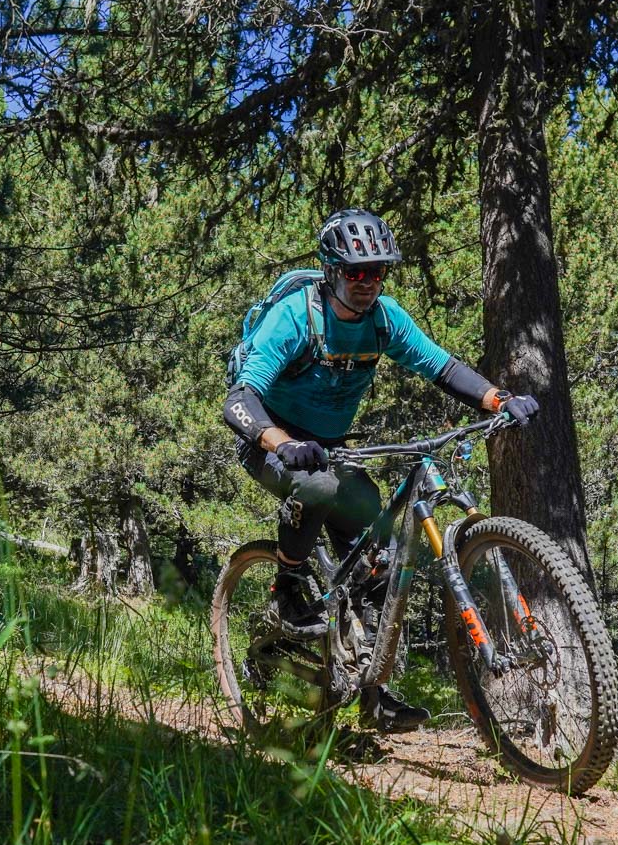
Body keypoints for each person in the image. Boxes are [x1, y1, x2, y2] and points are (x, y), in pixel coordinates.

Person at [221, 208, 540, 732]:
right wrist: (281, 442)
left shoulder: (384, 319)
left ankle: (373, 692)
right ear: (332, 270)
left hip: (333, 447)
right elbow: (240, 399)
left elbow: (442, 367)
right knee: (315, 485)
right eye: (356, 272)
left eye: (377, 271)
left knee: (383, 561)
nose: (368, 283)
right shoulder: (297, 317)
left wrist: (499, 400)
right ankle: (288, 587)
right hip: (274, 440)